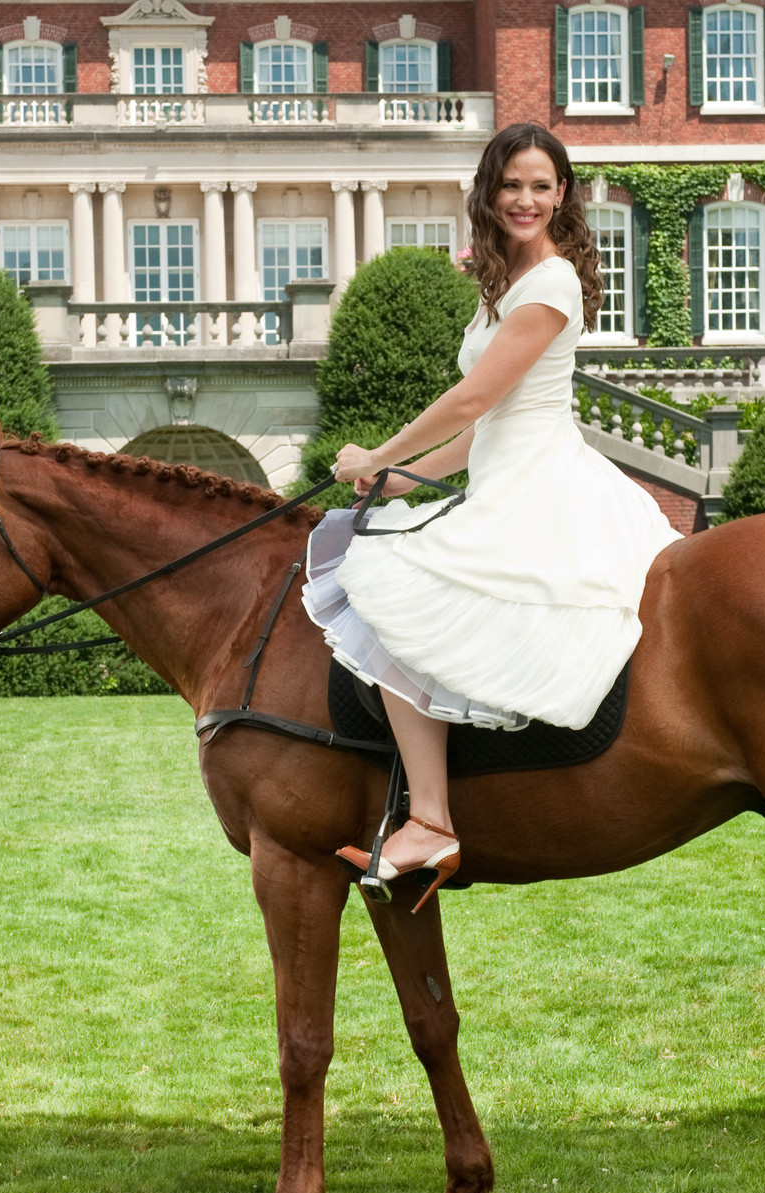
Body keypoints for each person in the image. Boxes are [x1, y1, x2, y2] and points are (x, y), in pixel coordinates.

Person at [303, 123, 681, 909]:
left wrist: (374, 456)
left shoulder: (551, 284)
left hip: (542, 487)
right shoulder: (506, 286)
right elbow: (482, 430)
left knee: (383, 581)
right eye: (513, 184)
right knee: (384, 560)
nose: (526, 199)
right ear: (490, 190)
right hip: (503, 473)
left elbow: (473, 398)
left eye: (542, 185)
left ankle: (432, 821)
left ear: (563, 195)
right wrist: (407, 477)